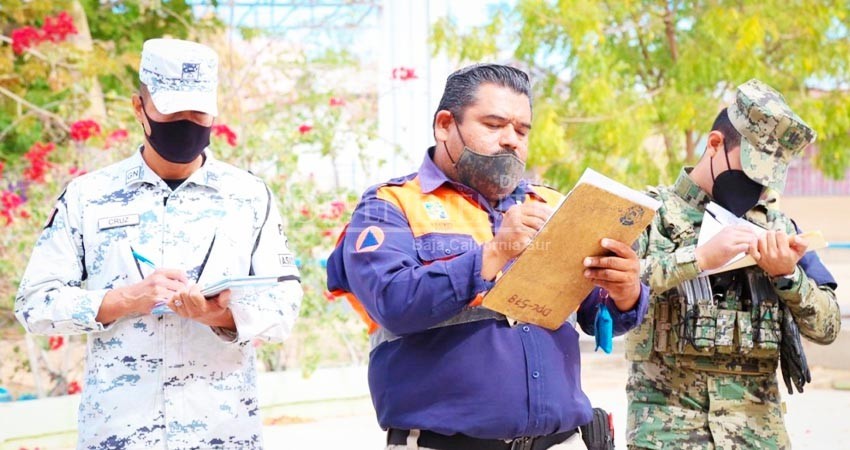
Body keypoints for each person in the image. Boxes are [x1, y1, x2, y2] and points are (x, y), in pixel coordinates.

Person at [326, 63, 650, 449]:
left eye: (522, 130)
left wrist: (626, 292)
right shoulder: (388, 206)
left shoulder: (552, 205)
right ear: (445, 125)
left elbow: (598, 317)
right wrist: (495, 251)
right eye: (494, 125)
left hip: (563, 441)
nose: (511, 140)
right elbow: (393, 303)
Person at [15, 38, 303, 449]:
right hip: (120, 435)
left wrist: (218, 315)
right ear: (139, 108)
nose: (186, 123)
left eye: (198, 112)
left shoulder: (249, 196)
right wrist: (125, 299)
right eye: (172, 111)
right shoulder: (88, 197)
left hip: (221, 434)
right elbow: (34, 304)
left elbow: (285, 305)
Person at [626, 79, 841, 449]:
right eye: (752, 171)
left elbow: (828, 327)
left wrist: (788, 276)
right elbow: (607, 290)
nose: (759, 186)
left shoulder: (779, 228)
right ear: (714, 144)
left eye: (768, 178)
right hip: (668, 433)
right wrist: (697, 259)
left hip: (758, 435)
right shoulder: (649, 216)